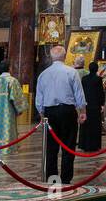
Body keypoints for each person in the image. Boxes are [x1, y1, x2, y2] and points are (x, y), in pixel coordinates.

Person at [35, 45, 86, 184]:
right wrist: (82, 111)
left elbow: (39, 98)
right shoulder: (71, 72)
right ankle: (65, 179)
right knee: (68, 146)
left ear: (51, 57)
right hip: (67, 111)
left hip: (49, 112)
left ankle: (51, 178)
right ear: (65, 56)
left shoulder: (43, 74)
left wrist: (41, 113)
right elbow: (79, 93)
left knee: (51, 148)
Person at [0, 60, 28, 154]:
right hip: (7, 112)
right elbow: (16, 97)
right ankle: (8, 148)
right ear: (10, 68)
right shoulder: (12, 81)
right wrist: (20, 109)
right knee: (7, 129)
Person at [79, 61, 105, 153]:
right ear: (97, 69)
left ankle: (84, 144)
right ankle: (94, 145)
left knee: (86, 125)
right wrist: (102, 104)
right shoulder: (98, 79)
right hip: (95, 105)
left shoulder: (84, 79)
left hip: (86, 104)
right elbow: (100, 93)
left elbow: (82, 92)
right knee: (95, 126)